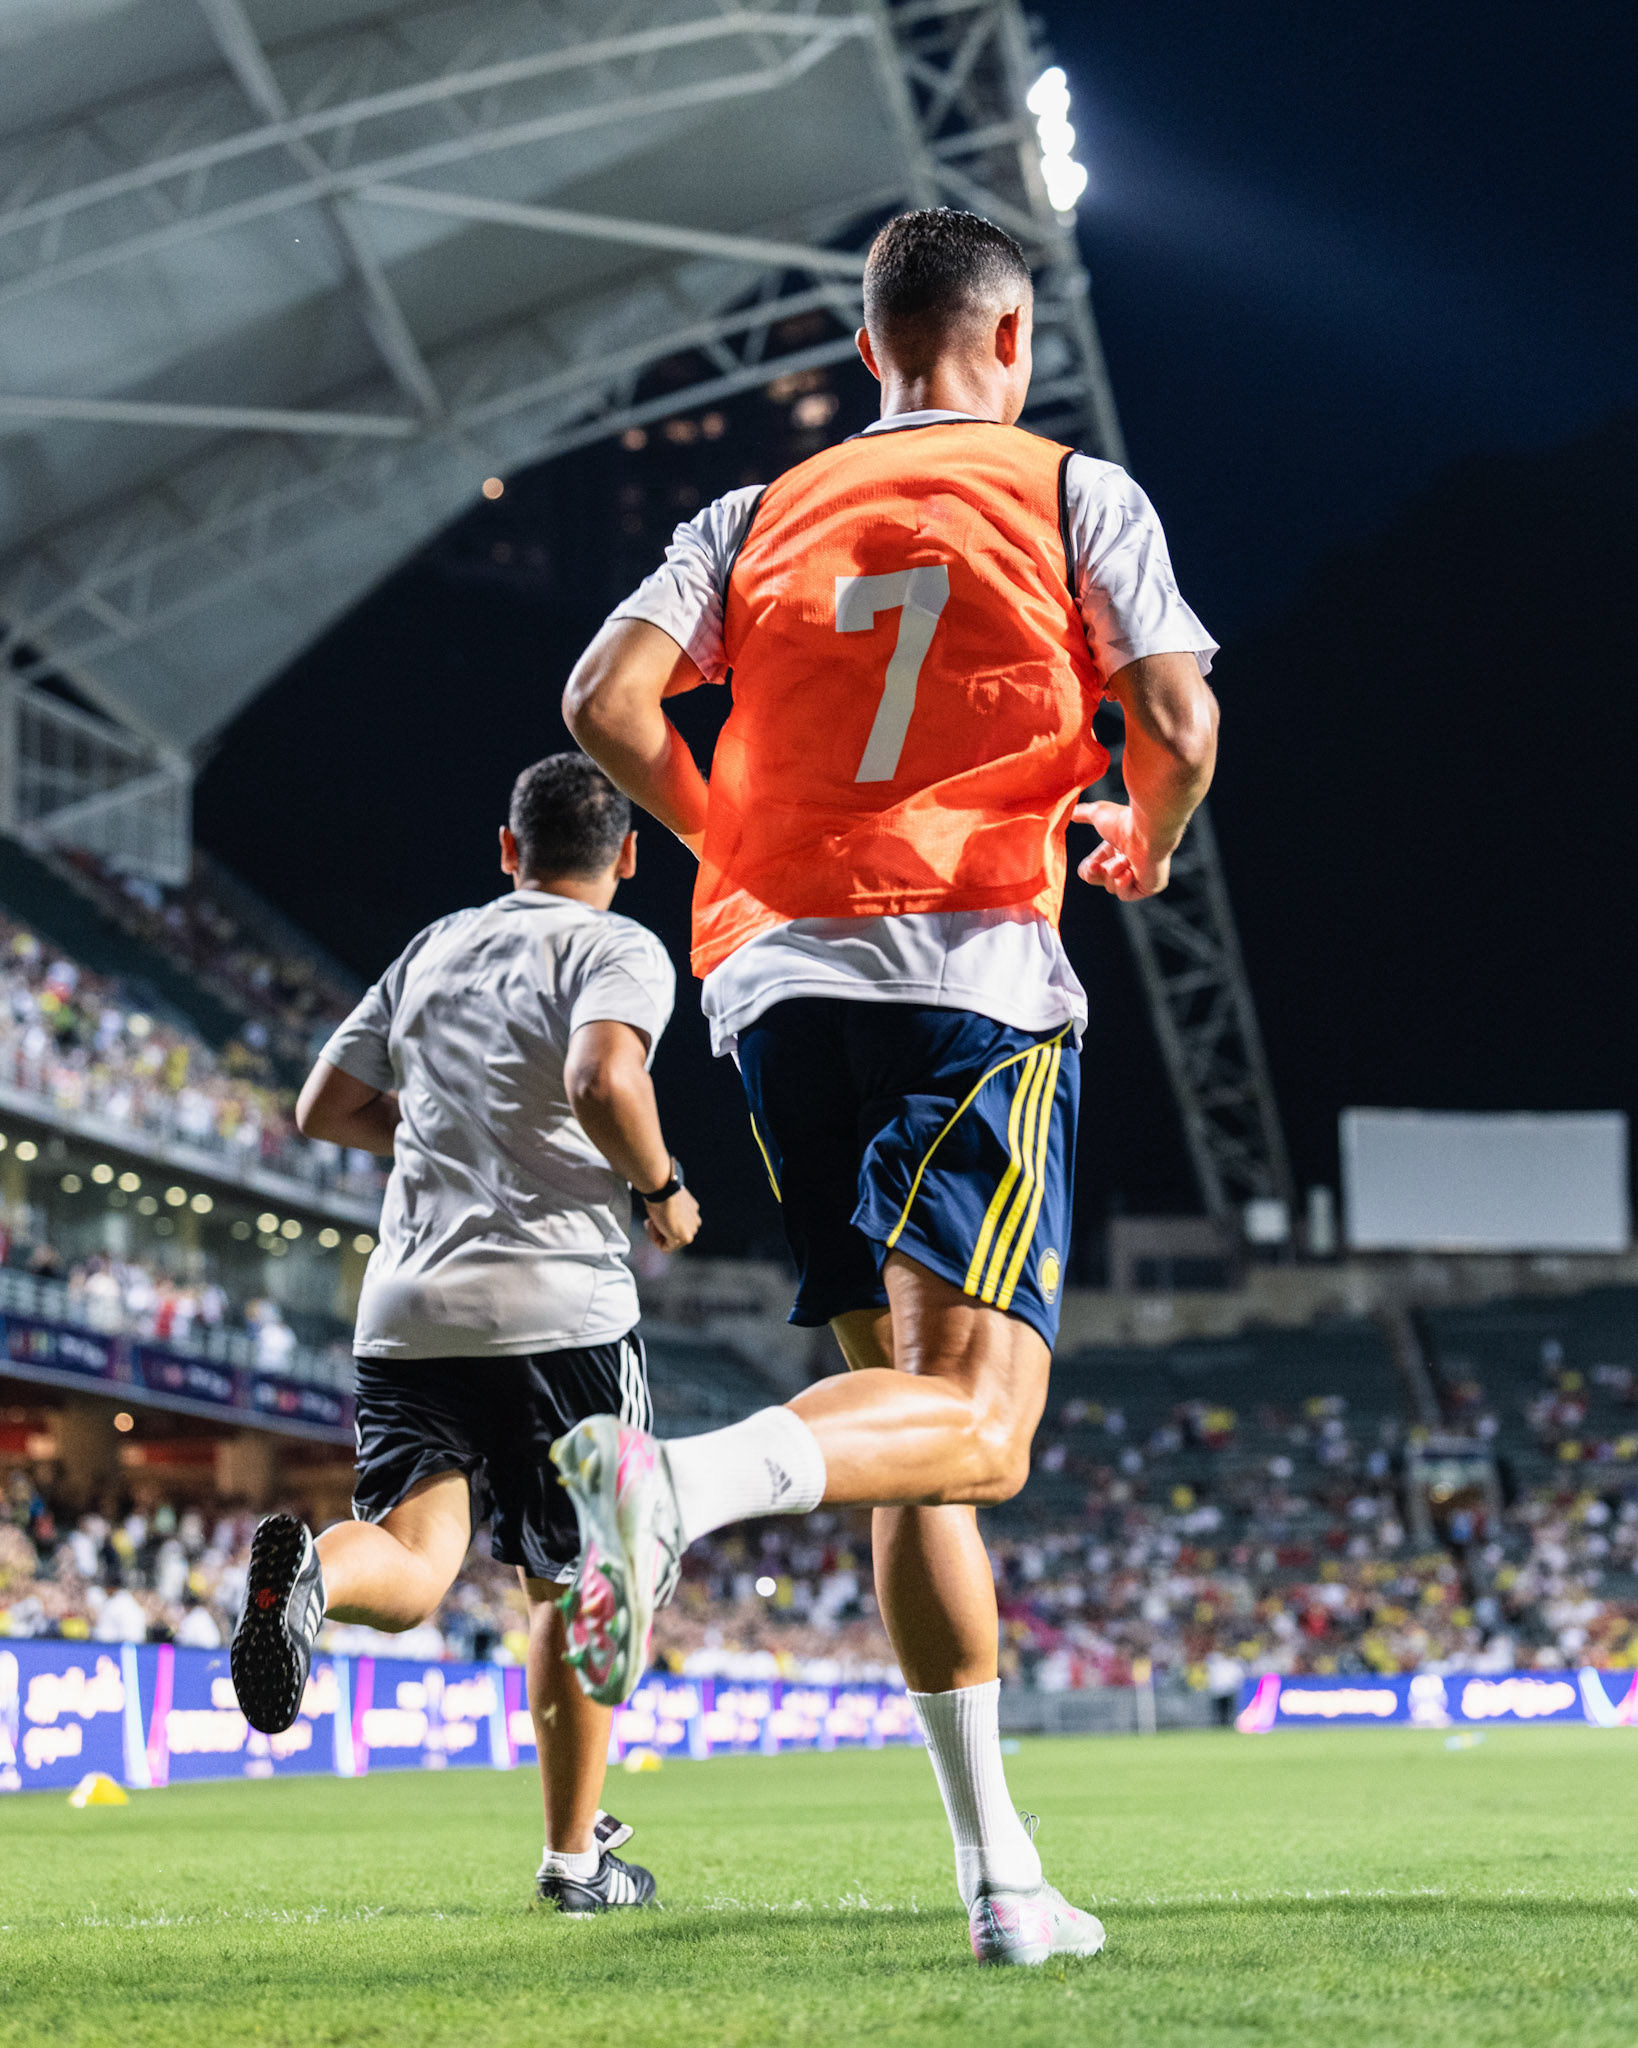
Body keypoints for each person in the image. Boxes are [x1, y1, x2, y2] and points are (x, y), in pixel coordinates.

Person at [559, 207, 1219, 1966]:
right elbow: (1175, 709)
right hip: (965, 969)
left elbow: (602, 700)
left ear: (872, 346)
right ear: (1010, 344)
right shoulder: (1073, 490)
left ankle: (1000, 1879)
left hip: (770, 986)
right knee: (980, 1425)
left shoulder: (748, 512)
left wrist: (733, 840)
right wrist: (1140, 837)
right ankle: (672, 1486)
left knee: (907, 1445)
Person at [229, 755, 699, 1914]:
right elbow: (604, 1075)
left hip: (409, 1310)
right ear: (628, 857)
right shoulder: (618, 947)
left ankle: (313, 1589)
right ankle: (574, 1857)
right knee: (585, 1582)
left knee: (415, 1556)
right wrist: (662, 1184)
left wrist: (442, 1130)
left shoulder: (433, 945)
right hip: (561, 1313)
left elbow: (322, 1106)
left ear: (507, 848)